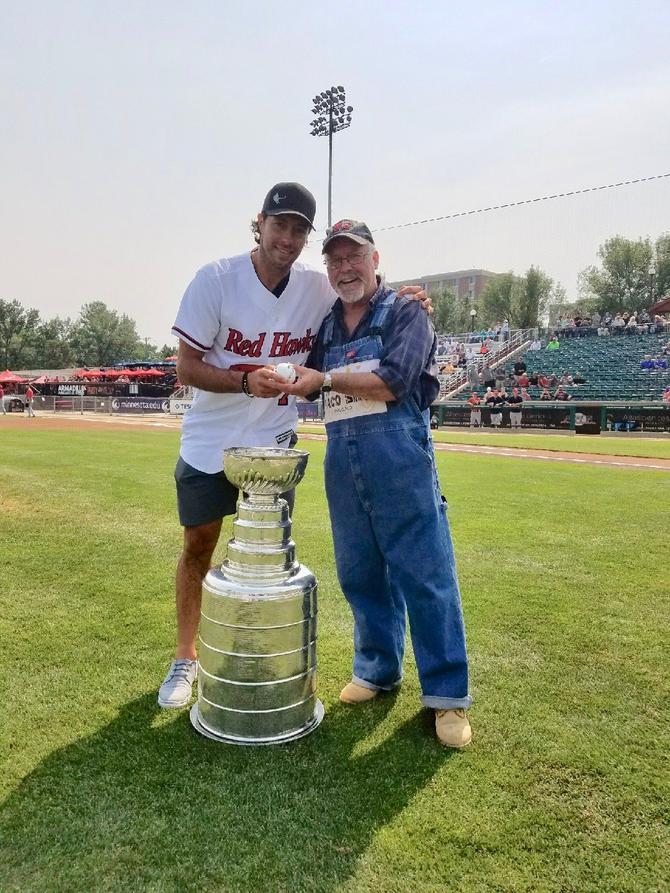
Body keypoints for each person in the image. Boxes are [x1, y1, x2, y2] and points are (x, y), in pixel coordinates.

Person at [159, 184, 427, 709]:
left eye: (300, 229)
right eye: (280, 224)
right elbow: (185, 367)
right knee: (198, 546)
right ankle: (185, 658)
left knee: (269, 556)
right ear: (259, 223)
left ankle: (262, 651)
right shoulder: (215, 279)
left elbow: (364, 287)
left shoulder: (316, 286)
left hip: (275, 444)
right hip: (211, 437)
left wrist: (406, 296)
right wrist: (242, 383)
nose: (288, 237)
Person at [266, 219, 472, 748]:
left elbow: (396, 381)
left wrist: (325, 379)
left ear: (375, 259)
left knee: (426, 576)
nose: (344, 268)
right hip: (344, 464)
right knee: (361, 575)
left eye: (354, 257)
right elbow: (304, 379)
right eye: (334, 260)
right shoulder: (326, 325)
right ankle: (377, 670)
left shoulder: (406, 312)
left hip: (400, 461)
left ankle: (447, 697)